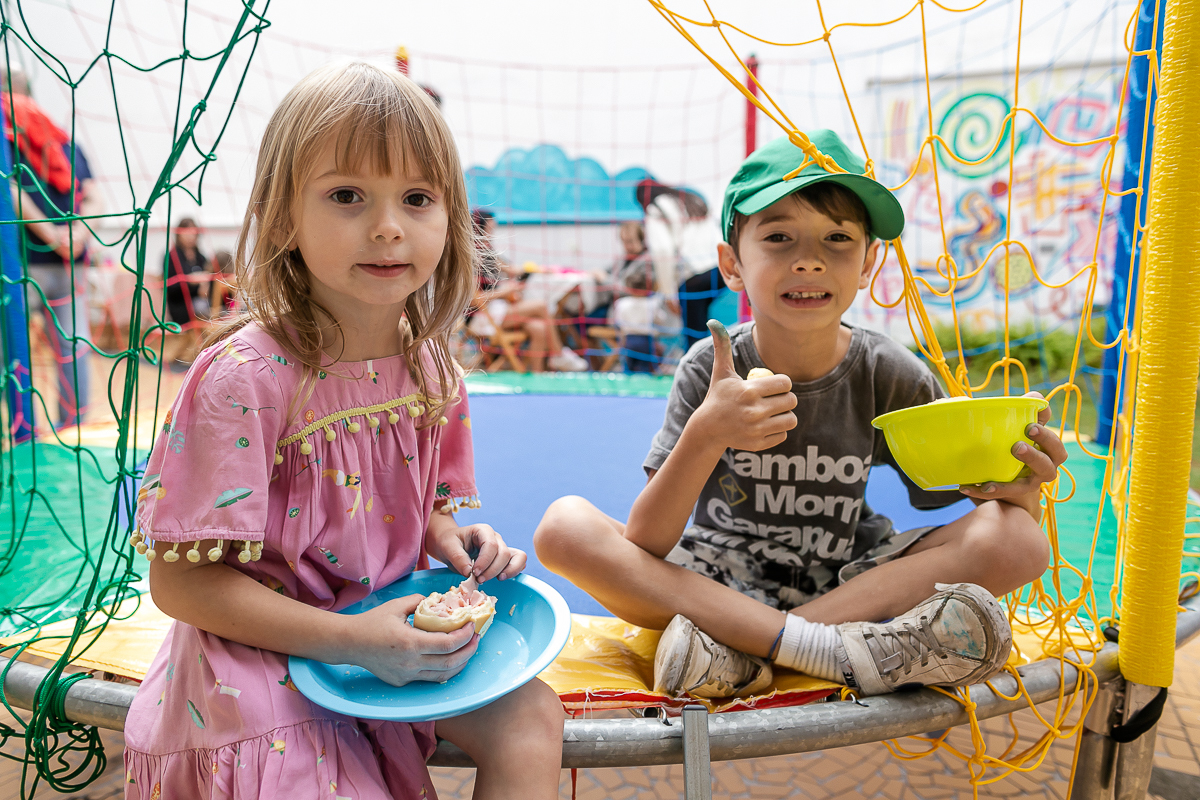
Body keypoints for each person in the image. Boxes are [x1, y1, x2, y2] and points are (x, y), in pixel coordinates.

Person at [123, 63, 564, 799]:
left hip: (380, 642)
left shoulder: (431, 370)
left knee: (531, 717)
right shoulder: (247, 380)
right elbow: (179, 581)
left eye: (417, 198)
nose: (389, 226)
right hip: (259, 661)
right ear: (285, 216)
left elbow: (418, 507)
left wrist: (449, 538)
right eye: (347, 195)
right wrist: (355, 641)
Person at [534, 130, 1064, 700]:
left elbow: (977, 508)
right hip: (719, 576)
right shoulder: (710, 369)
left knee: (1021, 539)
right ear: (732, 265)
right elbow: (647, 541)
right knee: (564, 528)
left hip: (848, 579)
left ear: (868, 262)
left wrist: (1020, 485)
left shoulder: (889, 372)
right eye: (780, 238)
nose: (809, 261)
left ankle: (740, 648)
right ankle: (828, 650)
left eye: (837, 238)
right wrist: (707, 432)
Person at [4, 68, 100, 428]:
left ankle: (28, 430)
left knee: (18, 352)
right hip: (60, 263)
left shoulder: (11, 143)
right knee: (72, 348)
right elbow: (92, 196)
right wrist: (73, 234)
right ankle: (70, 429)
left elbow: (12, 193)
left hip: (28, 265)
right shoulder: (64, 142)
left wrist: (63, 235)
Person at [467, 208, 587, 372]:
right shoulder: (470, 258)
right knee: (541, 306)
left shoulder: (489, 254)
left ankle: (537, 376)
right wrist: (505, 292)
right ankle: (558, 355)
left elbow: (514, 269)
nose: (492, 234)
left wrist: (542, 269)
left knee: (539, 327)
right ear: (479, 230)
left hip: (496, 311)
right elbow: (474, 300)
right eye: (490, 230)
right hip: (480, 317)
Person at [636, 178, 724, 352]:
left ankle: (700, 371)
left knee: (694, 335)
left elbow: (663, 251)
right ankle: (708, 366)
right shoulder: (689, 199)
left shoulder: (655, 209)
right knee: (701, 327)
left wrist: (669, 294)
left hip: (694, 274)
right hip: (720, 268)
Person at [164, 217, 212, 326]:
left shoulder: (201, 257)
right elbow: (170, 288)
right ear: (179, 235)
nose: (190, 237)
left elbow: (208, 278)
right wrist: (190, 281)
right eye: (186, 233)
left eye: (193, 233)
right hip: (180, 305)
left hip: (202, 301)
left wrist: (206, 285)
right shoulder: (171, 257)